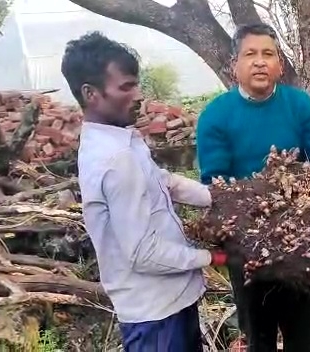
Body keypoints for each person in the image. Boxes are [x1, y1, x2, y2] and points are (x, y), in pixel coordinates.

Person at [62, 31, 227, 352]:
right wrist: (213, 257)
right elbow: (143, 253)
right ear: (91, 93)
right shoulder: (116, 159)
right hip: (156, 315)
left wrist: (224, 197)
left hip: (170, 302)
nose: (138, 95)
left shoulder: (120, 141)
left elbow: (165, 181)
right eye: (126, 87)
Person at [196, 23, 310, 352]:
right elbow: (215, 184)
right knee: (259, 339)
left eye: (268, 54)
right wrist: (259, 215)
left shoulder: (300, 106)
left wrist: (292, 209)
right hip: (246, 252)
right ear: (235, 65)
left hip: (299, 245)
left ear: (279, 65)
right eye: (250, 54)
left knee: (302, 338)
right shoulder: (215, 116)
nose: (259, 62)